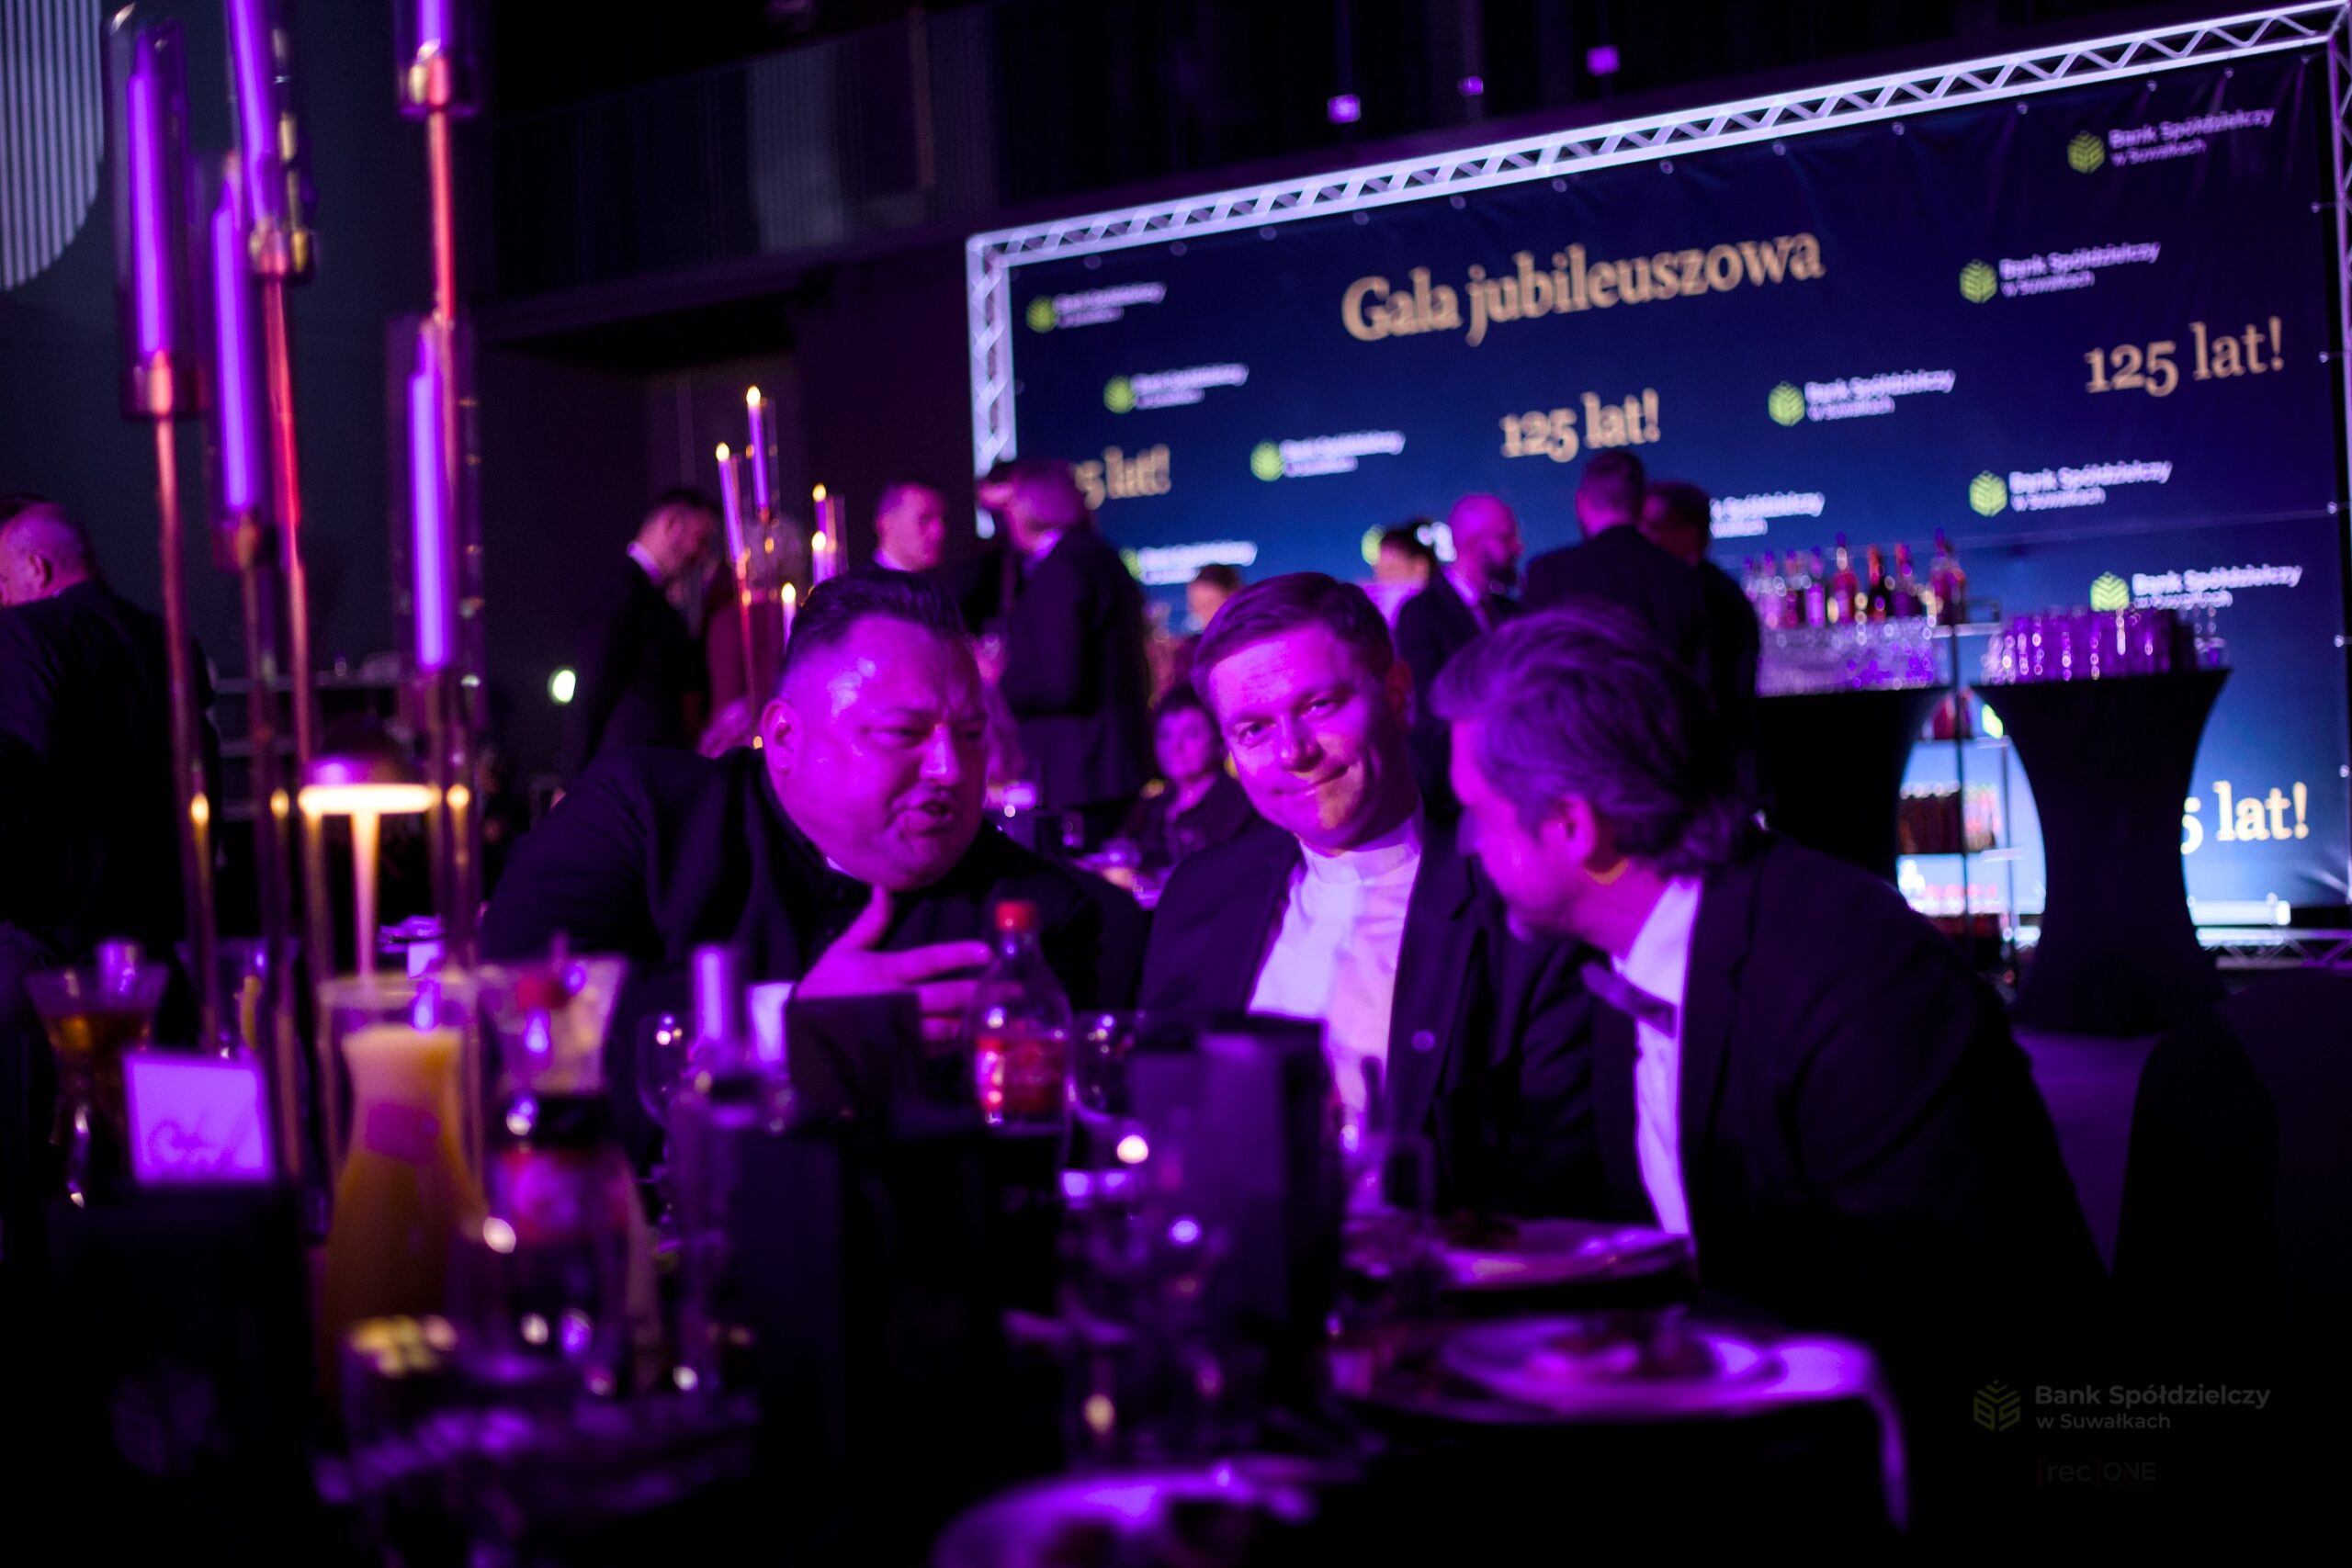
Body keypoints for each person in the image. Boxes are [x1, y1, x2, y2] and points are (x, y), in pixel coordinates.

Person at [1431, 604, 2102, 1484]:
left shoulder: (1854, 975)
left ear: (1572, 826)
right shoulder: (1620, 956)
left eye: (1477, 815)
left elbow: (1947, 1327)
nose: (1469, 846)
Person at [483, 570, 1147, 1164]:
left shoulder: (1034, 916)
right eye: (902, 733)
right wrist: (781, 1030)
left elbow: (1032, 1166)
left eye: (970, 736)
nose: (950, 770)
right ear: (785, 738)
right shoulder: (643, 816)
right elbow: (508, 1022)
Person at [1140, 574, 1595, 1214]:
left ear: (1399, 695)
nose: (1293, 751)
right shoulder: (1202, 895)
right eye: (1254, 730)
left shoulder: (1516, 904)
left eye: (1319, 706)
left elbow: (1558, 1184)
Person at [0, 502, 219, 1292]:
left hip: (52, 972)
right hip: (159, 963)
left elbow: (15, 792)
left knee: (39, 1203)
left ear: (36, 568)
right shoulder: (173, 642)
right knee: (167, 1206)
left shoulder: (26, 635)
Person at [986, 459, 1151, 850]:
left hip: (1081, 772)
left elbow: (1060, 683)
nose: (1005, 519)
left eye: (1010, 505)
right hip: (1110, 765)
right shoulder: (1100, 557)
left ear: (1033, 505)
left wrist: (999, 679)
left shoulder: (1062, 569)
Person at [560, 489, 718, 783]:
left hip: (649, 771)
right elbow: (593, 684)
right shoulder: (619, 586)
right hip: (624, 776)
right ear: (672, 524)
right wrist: (570, 780)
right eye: (700, 540)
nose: (700, 556)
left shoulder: (654, 599)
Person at [1394, 494, 1521, 816]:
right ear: (1476, 545)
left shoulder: (1511, 611)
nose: (1518, 547)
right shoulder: (1421, 613)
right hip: (1456, 800)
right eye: (1506, 538)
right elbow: (1430, 710)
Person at [1521, 451, 1704, 671]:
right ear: (1641, 504)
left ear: (1580, 503)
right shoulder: (1681, 576)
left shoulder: (1549, 575)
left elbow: (1529, 669)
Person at [1641, 479, 1759, 792]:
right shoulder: (1698, 589)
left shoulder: (1709, 595)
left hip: (1707, 768)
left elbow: (1716, 689)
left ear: (1690, 533)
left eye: (1654, 526)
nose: (1644, 538)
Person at [1114, 686, 1257, 874]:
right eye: (1165, 736)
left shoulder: (1241, 809)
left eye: (1191, 734)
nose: (1175, 747)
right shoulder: (1149, 810)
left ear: (1220, 740)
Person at [871, 482, 949, 575]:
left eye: (943, 520)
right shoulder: (862, 583)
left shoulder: (944, 580)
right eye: (924, 520)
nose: (939, 532)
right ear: (887, 524)